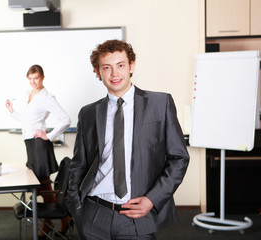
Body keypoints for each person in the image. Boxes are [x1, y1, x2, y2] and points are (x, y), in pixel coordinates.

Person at [67, 40, 190, 240]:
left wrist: (152, 199)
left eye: (120, 65)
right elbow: (79, 163)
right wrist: (76, 205)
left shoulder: (160, 103)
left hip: (136, 216)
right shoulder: (89, 113)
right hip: (93, 214)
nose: (114, 74)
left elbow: (179, 158)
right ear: (98, 72)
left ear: (131, 65)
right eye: (107, 68)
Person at [5, 64, 71, 238]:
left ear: (42, 78)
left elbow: (66, 119)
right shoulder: (28, 94)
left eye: (36, 78)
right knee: (41, 184)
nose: (33, 82)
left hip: (40, 145)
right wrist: (12, 112)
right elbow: (27, 120)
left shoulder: (47, 97)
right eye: (30, 78)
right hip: (30, 143)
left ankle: (56, 220)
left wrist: (48, 135)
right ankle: (53, 220)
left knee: (43, 183)